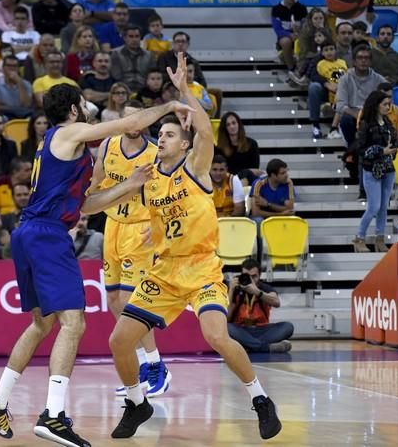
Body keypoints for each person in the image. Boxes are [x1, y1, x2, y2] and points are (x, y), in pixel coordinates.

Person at [0, 83, 195, 445]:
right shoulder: (69, 131)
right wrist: (171, 103)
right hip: (46, 235)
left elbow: (86, 206)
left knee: (41, 324)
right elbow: (130, 123)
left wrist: (132, 184)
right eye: (83, 101)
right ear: (74, 109)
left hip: (30, 232)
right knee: (74, 324)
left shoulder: (61, 144)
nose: (87, 106)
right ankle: (54, 416)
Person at [108, 54, 282, 440]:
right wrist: (155, 236)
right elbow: (156, 218)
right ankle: (138, 403)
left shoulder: (196, 167)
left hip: (202, 267)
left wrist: (185, 90)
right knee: (119, 340)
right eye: (161, 135)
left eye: (169, 135)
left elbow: (205, 130)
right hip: (165, 272)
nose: (162, 139)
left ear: (184, 143)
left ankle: (260, 400)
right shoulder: (150, 179)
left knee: (217, 336)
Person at [88, 100, 171, 398]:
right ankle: (135, 369)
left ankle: (157, 364)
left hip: (140, 230)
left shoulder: (154, 154)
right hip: (112, 226)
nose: (133, 124)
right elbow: (96, 182)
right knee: (113, 299)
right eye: (128, 119)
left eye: (139, 119)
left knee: (129, 300)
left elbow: (168, 193)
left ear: (147, 122)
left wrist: (160, 226)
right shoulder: (108, 145)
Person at [352, 91, 398, 253]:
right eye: (385, 104)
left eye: (389, 104)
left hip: (388, 168)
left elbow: (394, 140)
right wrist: (380, 151)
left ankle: (380, 238)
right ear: (376, 105)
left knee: (384, 206)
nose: (388, 107)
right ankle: (359, 237)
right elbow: (361, 149)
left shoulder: (387, 122)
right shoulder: (365, 124)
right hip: (372, 169)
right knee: (374, 207)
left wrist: (394, 148)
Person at [227, 258, 293, 353]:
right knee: (226, 327)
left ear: (260, 275)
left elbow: (276, 302)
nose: (251, 280)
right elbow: (227, 318)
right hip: (241, 329)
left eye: (254, 277)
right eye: (247, 276)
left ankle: (248, 346)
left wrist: (257, 292)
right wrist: (231, 290)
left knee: (288, 327)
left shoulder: (264, 288)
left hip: (262, 329)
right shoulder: (236, 289)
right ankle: (266, 347)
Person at [271, 0, 308, 83]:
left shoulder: (302, 9)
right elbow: (277, 30)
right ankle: (291, 69)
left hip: (299, 36)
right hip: (285, 38)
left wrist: (299, 32)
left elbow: (306, 27)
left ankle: (303, 71)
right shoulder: (276, 9)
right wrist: (289, 34)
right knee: (286, 41)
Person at [215, 112, 261, 180]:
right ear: (225, 128)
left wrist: (243, 173)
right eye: (228, 125)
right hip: (227, 180)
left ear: (238, 124)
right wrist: (244, 172)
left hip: (248, 180)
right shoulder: (219, 148)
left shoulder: (252, 144)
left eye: (234, 123)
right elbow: (220, 170)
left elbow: (254, 170)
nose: (232, 127)